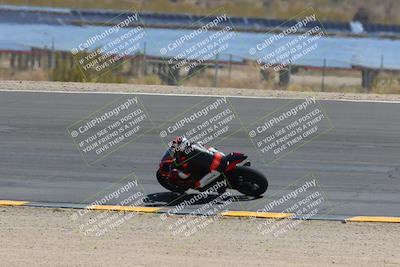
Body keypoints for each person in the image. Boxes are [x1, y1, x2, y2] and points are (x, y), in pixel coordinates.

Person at [168, 136, 246, 189]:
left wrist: (176, 173)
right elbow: (205, 146)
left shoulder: (188, 158)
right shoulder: (195, 144)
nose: (176, 152)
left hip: (216, 168)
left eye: (177, 150)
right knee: (211, 149)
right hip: (220, 156)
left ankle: (219, 185)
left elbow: (186, 174)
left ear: (181, 148)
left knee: (198, 185)